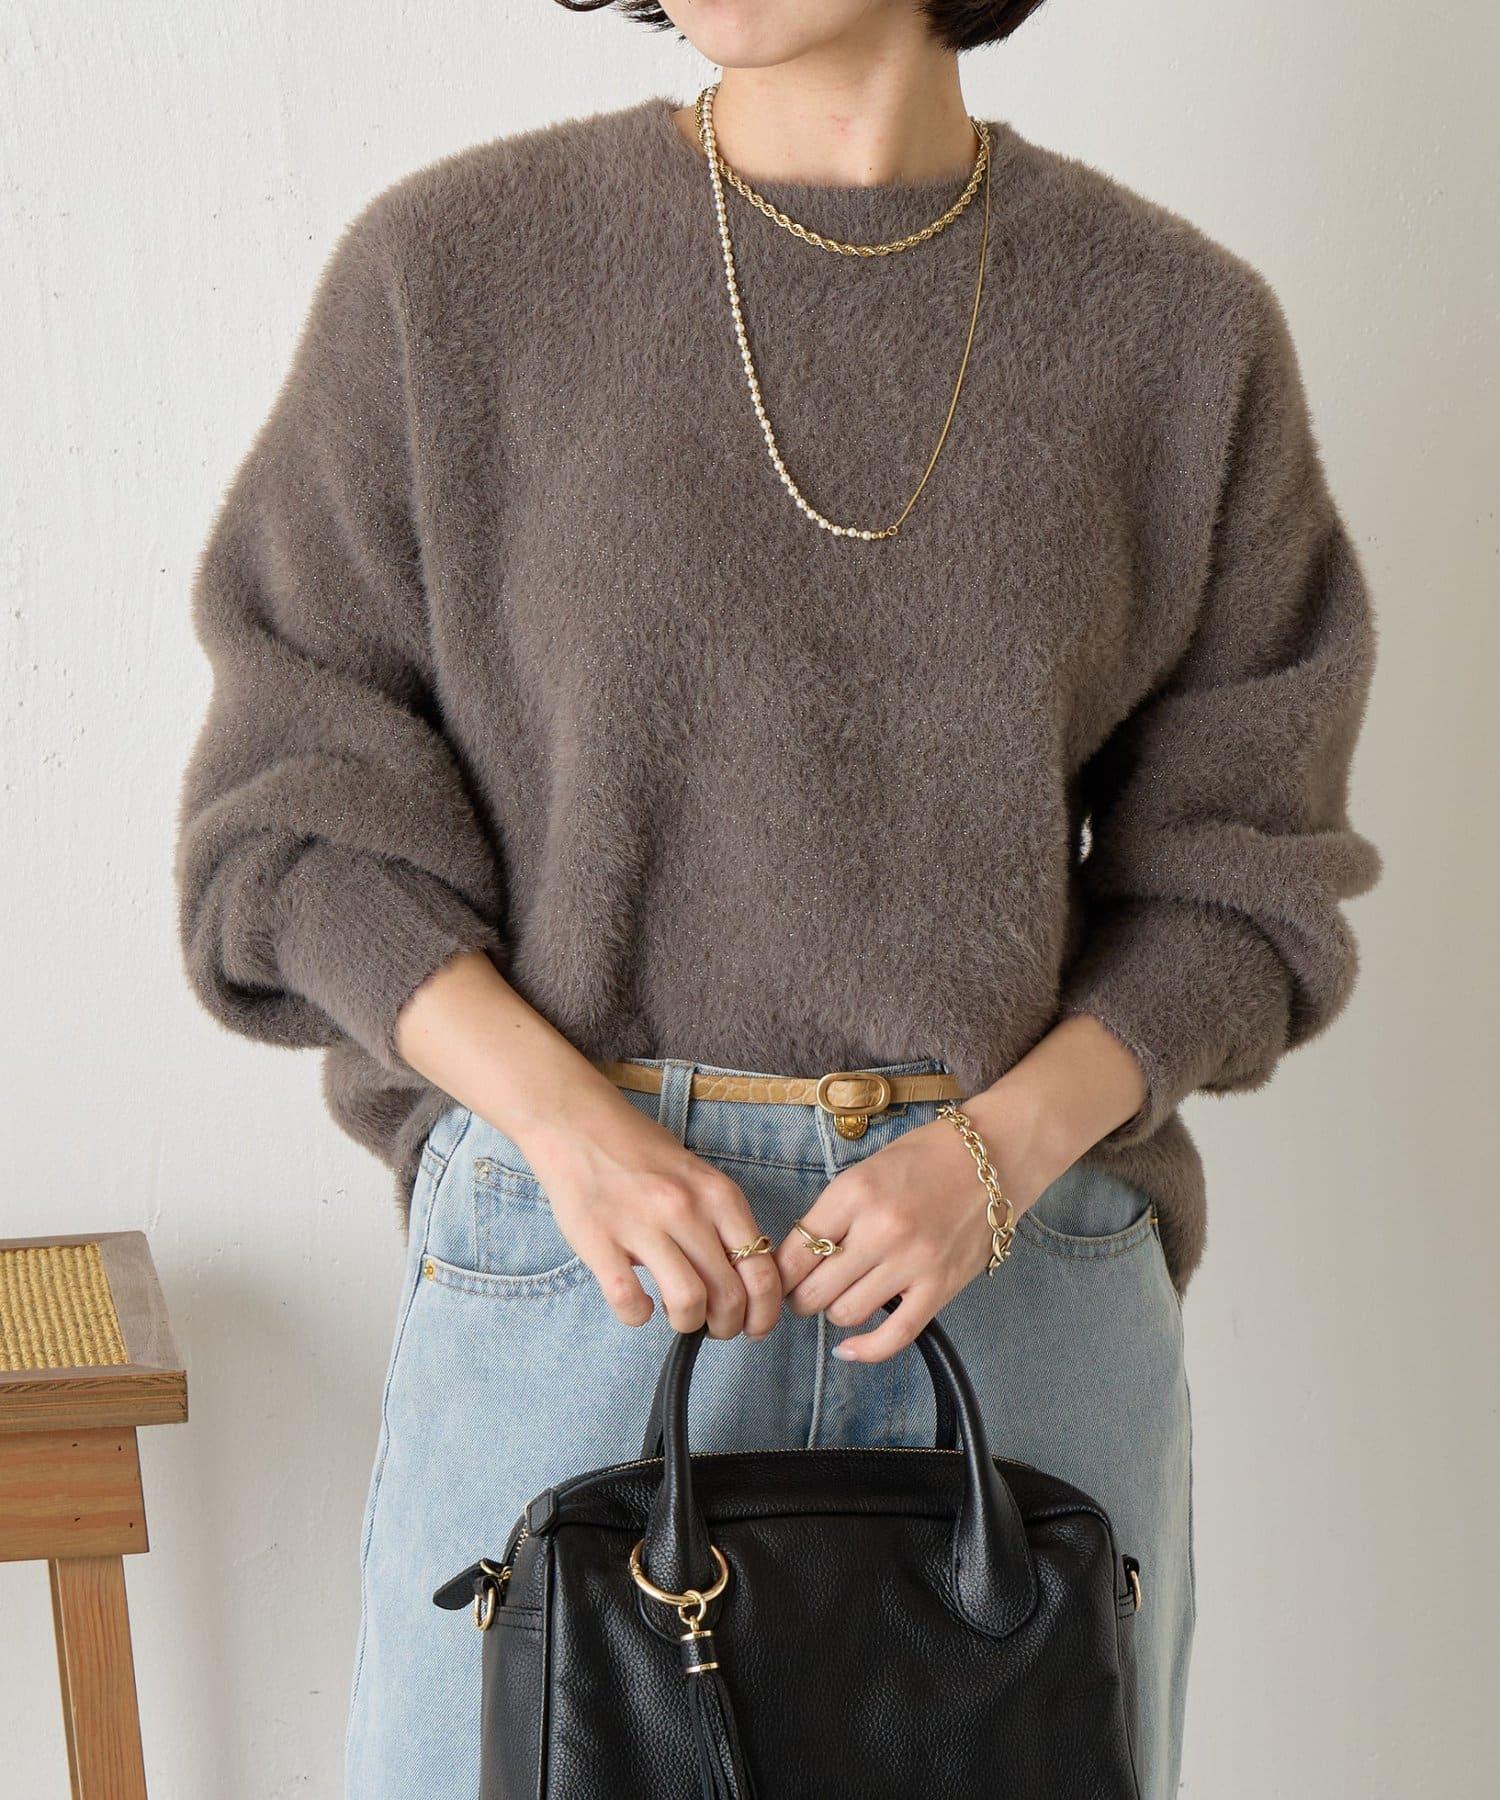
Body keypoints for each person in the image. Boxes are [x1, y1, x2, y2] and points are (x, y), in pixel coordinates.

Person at [172, 2, 1381, 1794]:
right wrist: (566, 1126)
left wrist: (1001, 1153)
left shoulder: (1179, 332)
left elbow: (1244, 877)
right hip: (589, 1276)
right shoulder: (458, 276)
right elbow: (292, 828)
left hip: (1011, 1270)